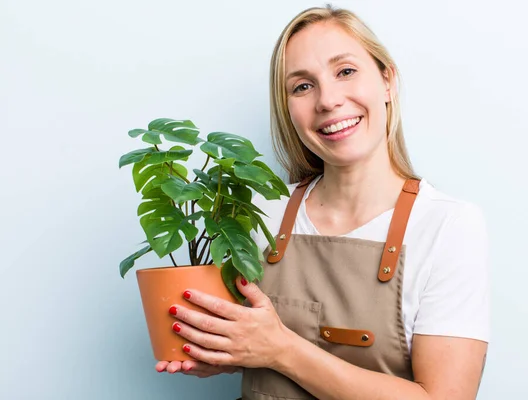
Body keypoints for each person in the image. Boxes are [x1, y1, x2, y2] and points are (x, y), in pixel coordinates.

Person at [156, 4, 490, 400]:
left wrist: (281, 350)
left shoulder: (447, 226)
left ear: (387, 81)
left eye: (345, 71)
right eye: (302, 86)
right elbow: (255, 345)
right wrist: (229, 351)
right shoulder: (263, 214)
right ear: (289, 110)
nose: (328, 100)